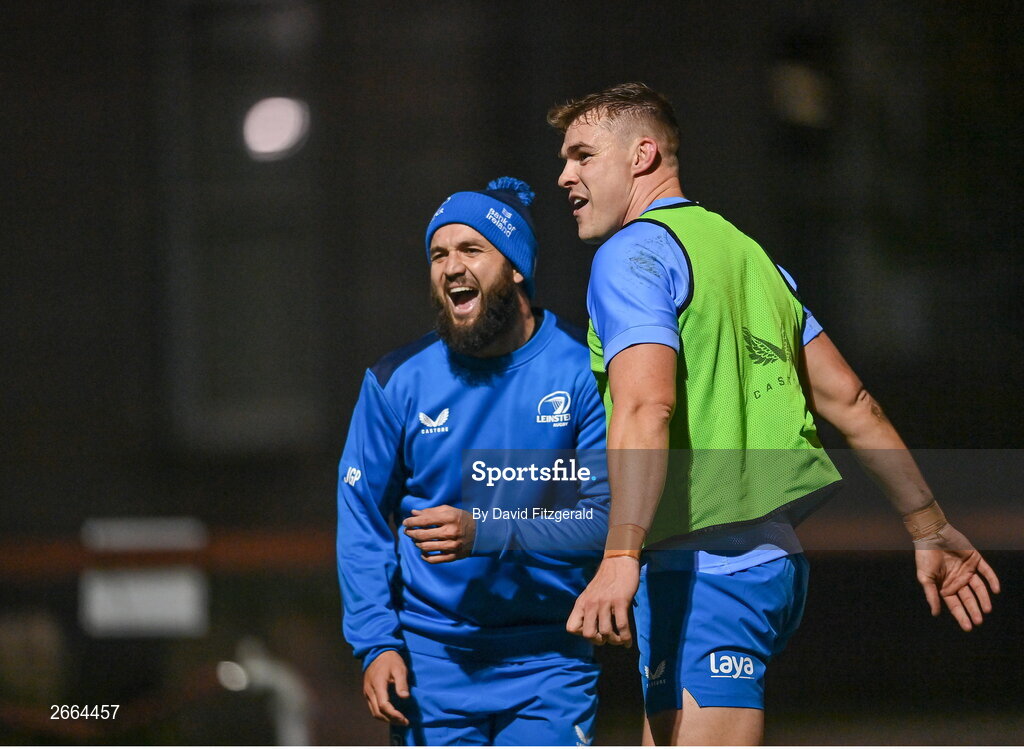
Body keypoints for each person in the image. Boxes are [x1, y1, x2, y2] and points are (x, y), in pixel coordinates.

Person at [546, 83, 1001, 745]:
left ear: (641, 155)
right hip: (767, 563)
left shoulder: (629, 256)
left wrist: (620, 553)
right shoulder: (753, 259)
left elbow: (647, 403)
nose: (565, 175)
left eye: (582, 155)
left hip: (709, 572)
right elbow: (853, 402)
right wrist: (927, 525)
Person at [336, 177, 610, 746]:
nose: (450, 267)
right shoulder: (397, 382)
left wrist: (486, 532)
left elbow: (610, 521)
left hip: (550, 661)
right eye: (438, 254)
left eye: (471, 249)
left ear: (516, 268)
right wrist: (377, 643)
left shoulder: (586, 372)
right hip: (431, 662)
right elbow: (360, 521)